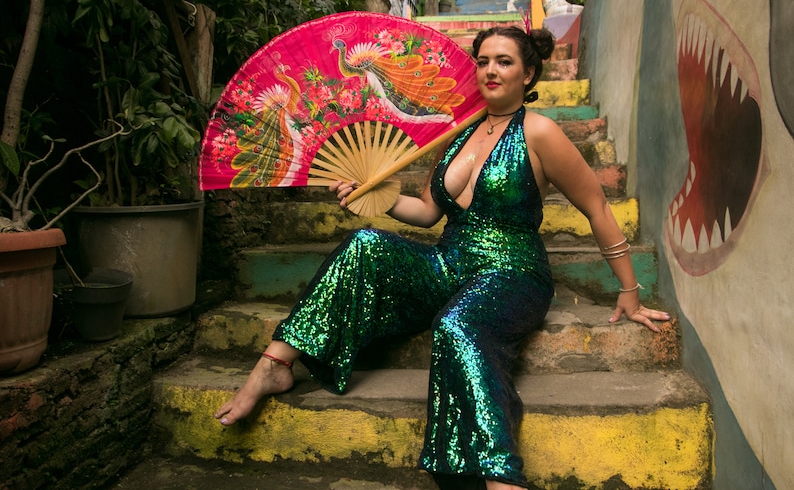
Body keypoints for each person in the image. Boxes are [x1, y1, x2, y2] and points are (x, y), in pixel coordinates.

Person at [214, 25, 671, 490]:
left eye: (505, 61)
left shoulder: (540, 132)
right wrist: (372, 196)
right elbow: (428, 212)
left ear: (529, 74)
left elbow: (597, 207)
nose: (490, 70)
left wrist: (629, 291)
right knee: (364, 244)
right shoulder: (454, 133)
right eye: (483, 61)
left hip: (512, 272)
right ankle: (275, 365)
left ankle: (500, 477)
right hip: (448, 263)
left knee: (457, 325)